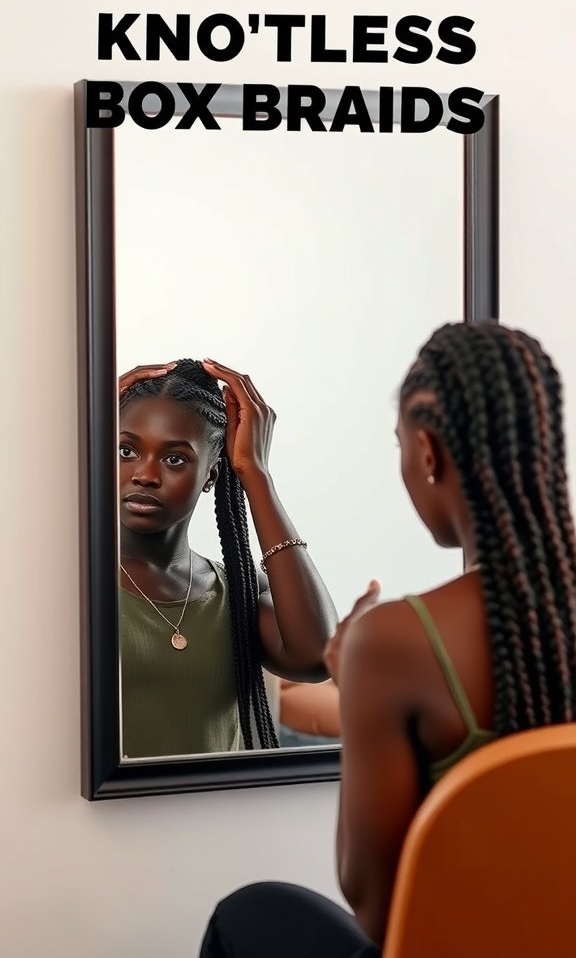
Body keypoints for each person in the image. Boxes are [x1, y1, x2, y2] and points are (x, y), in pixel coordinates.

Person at [199, 321, 576, 956]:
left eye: (398, 445)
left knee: (246, 914)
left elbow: (379, 910)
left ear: (427, 452)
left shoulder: (397, 643)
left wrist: (359, 684)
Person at [118, 357, 337, 758]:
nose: (144, 474)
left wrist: (256, 473)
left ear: (212, 474)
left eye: (174, 458)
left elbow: (315, 655)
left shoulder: (238, 590)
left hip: (223, 819)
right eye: (126, 449)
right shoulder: (68, 583)